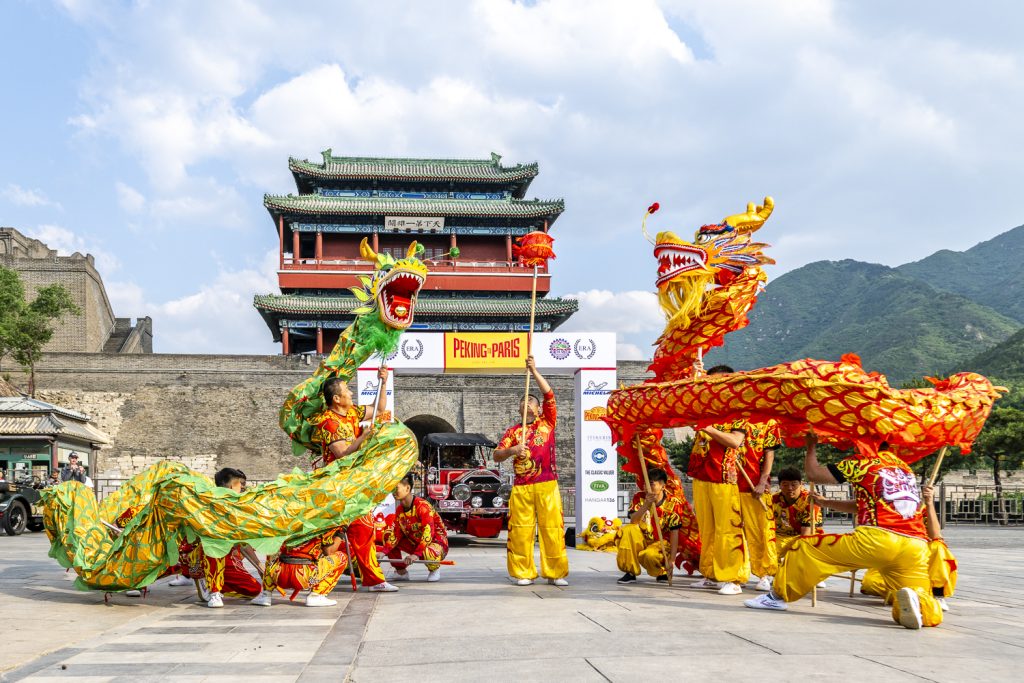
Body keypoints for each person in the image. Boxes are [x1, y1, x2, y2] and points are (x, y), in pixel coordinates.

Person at [745, 432, 944, 629]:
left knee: (807, 547)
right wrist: (827, 502)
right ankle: (922, 609)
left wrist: (811, 446)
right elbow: (864, 504)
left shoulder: (862, 462)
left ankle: (776, 597)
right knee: (919, 594)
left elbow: (815, 474)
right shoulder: (904, 469)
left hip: (878, 539)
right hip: (915, 547)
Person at [494, 354, 569, 587]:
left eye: (530, 401)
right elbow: (497, 455)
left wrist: (534, 370)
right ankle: (523, 572)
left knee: (551, 529)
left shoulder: (547, 423)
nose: (525, 403)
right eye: (522, 401)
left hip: (547, 483)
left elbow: (549, 394)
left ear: (538, 409)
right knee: (521, 531)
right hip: (522, 487)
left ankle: (555, 572)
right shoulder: (512, 432)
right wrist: (513, 450)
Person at [834, 484, 956, 612]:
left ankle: (936, 595)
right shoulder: (879, 504)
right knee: (870, 584)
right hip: (888, 554)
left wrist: (930, 503)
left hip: (916, 554)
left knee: (938, 546)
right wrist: (825, 502)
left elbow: (935, 535)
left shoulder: (916, 506)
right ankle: (910, 595)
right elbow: (857, 506)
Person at [687, 362, 750, 595]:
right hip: (701, 475)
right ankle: (711, 573)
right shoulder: (704, 407)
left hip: (724, 478)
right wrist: (695, 371)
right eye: (711, 382)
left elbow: (735, 441)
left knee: (727, 529)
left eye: (720, 381)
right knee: (707, 530)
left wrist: (709, 429)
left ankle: (732, 577)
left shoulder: (738, 411)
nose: (716, 386)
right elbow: (689, 393)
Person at [201, 468, 263, 608]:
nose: (242, 487)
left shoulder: (236, 507)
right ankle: (214, 591)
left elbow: (243, 542)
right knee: (214, 548)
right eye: (240, 484)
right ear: (231, 486)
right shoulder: (209, 503)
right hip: (206, 556)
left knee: (256, 590)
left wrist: (260, 566)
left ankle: (218, 585)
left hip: (227, 557)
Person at [311, 367, 389, 468]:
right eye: (347, 390)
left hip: (354, 469)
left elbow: (378, 409)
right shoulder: (329, 422)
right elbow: (342, 455)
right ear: (336, 398)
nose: (351, 393)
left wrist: (383, 384)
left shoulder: (352, 411)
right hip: (338, 477)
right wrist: (363, 436)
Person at [616, 468, 683, 584]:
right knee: (628, 530)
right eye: (645, 483)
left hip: (660, 544)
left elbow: (675, 533)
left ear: (662, 486)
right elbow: (633, 520)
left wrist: (672, 560)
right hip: (642, 539)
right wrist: (646, 505)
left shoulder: (673, 503)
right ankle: (630, 571)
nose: (646, 487)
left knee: (649, 556)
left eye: (651, 484)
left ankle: (661, 571)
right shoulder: (639, 497)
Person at [252, 526, 348, 607]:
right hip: (306, 577)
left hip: (279, 575)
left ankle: (266, 594)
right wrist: (340, 533)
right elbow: (329, 551)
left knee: (272, 553)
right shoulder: (322, 525)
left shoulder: (285, 523)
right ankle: (316, 595)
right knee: (342, 557)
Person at [738, 420, 781, 592]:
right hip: (729, 483)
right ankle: (734, 573)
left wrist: (763, 481)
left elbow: (769, 453)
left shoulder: (769, 422)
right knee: (732, 530)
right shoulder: (732, 418)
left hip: (754, 486)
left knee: (760, 530)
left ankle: (765, 574)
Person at [382, 473, 449, 582]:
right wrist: (383, 552)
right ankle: (401, 572)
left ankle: (434, 569)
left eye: (396, 488)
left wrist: (415, 555)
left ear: (407, 488)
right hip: (414, 542)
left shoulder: (422, 506)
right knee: (388, 535)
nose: (393, 492)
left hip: (435, 543)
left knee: (429, 551)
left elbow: (428, 533)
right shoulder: (399, 510)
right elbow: (396, 534)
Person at [772, 467, 823, 547]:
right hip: (781, 537)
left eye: (793, 484)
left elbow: (806, 535)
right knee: (768, 550)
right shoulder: (773, 500)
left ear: (801, 484)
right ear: (779, 486)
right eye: (785, 485)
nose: (790, 488)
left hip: (808, 537)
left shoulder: (810, 501)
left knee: (799, 550)